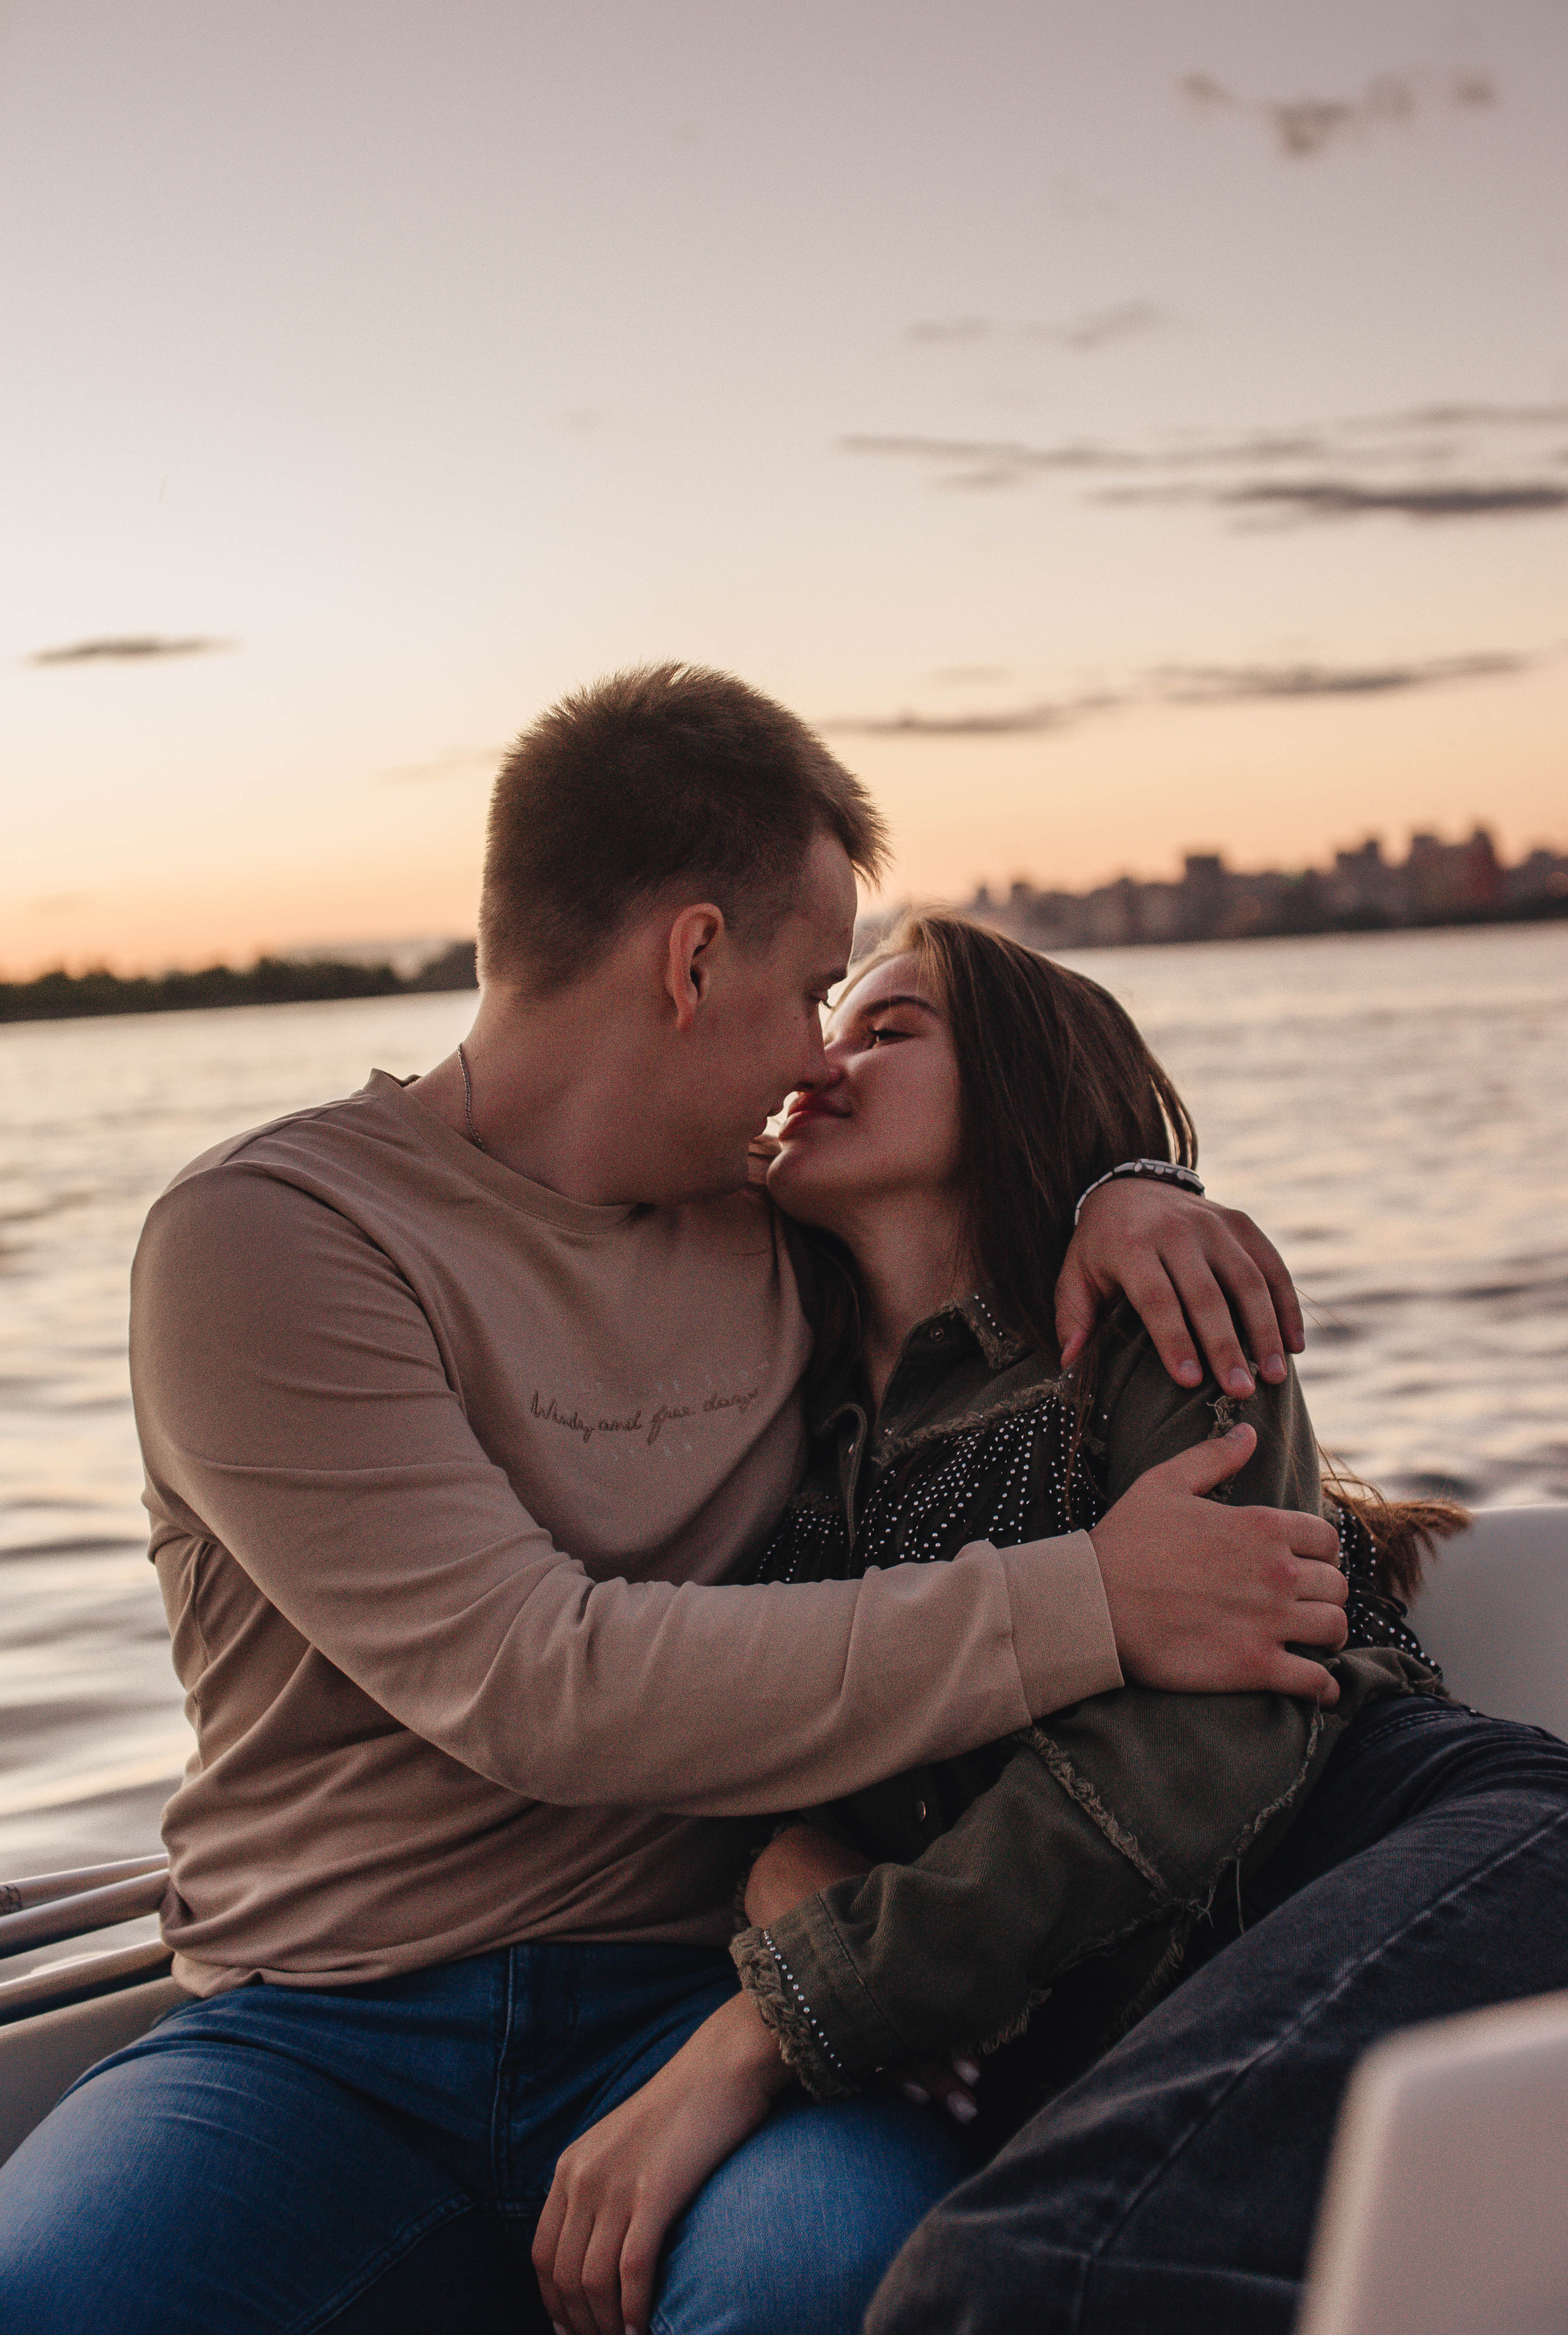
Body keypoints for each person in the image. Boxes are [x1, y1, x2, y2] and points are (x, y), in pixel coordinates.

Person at [0, 666, 1342, 2335]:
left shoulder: (778, 1227)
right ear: (692, 961)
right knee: (56, 2297)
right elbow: (535, 1682)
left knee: (835, 2288)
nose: (816, 1063)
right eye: (809, 991)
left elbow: (978, 1208)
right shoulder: (271, 1241)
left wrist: (1132, 1192)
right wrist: (1096, 1600)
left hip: (705, 1991)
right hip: (320, 2025)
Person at [531, 910, 1568, 2335]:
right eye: (826, 1028)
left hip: (1428, 1849)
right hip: (1140, 2005)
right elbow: (754, 1722)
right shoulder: (759, 1426)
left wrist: (784, 2009)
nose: (820, 1062)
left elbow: (1204, 1745)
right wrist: (782, 1861)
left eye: (887, 1030)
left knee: (1005, 2282)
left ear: (1017, 1079)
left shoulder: (1155, 1313)